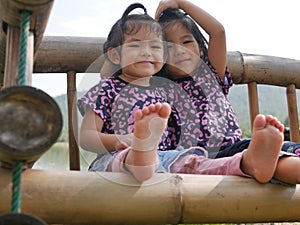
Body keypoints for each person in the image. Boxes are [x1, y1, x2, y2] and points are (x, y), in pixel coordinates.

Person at [154, 0, 300, 184]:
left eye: (186, 42)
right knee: (267, 158)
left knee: (287, 151)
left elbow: (218, 31)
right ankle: (261, 163)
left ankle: (265, 162)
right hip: (202, 161)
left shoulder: (210, 75)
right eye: (168, 47)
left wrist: (180, 3)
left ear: (200, 48)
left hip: (236, 148)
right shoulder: (162, 90)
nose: (180, 51)